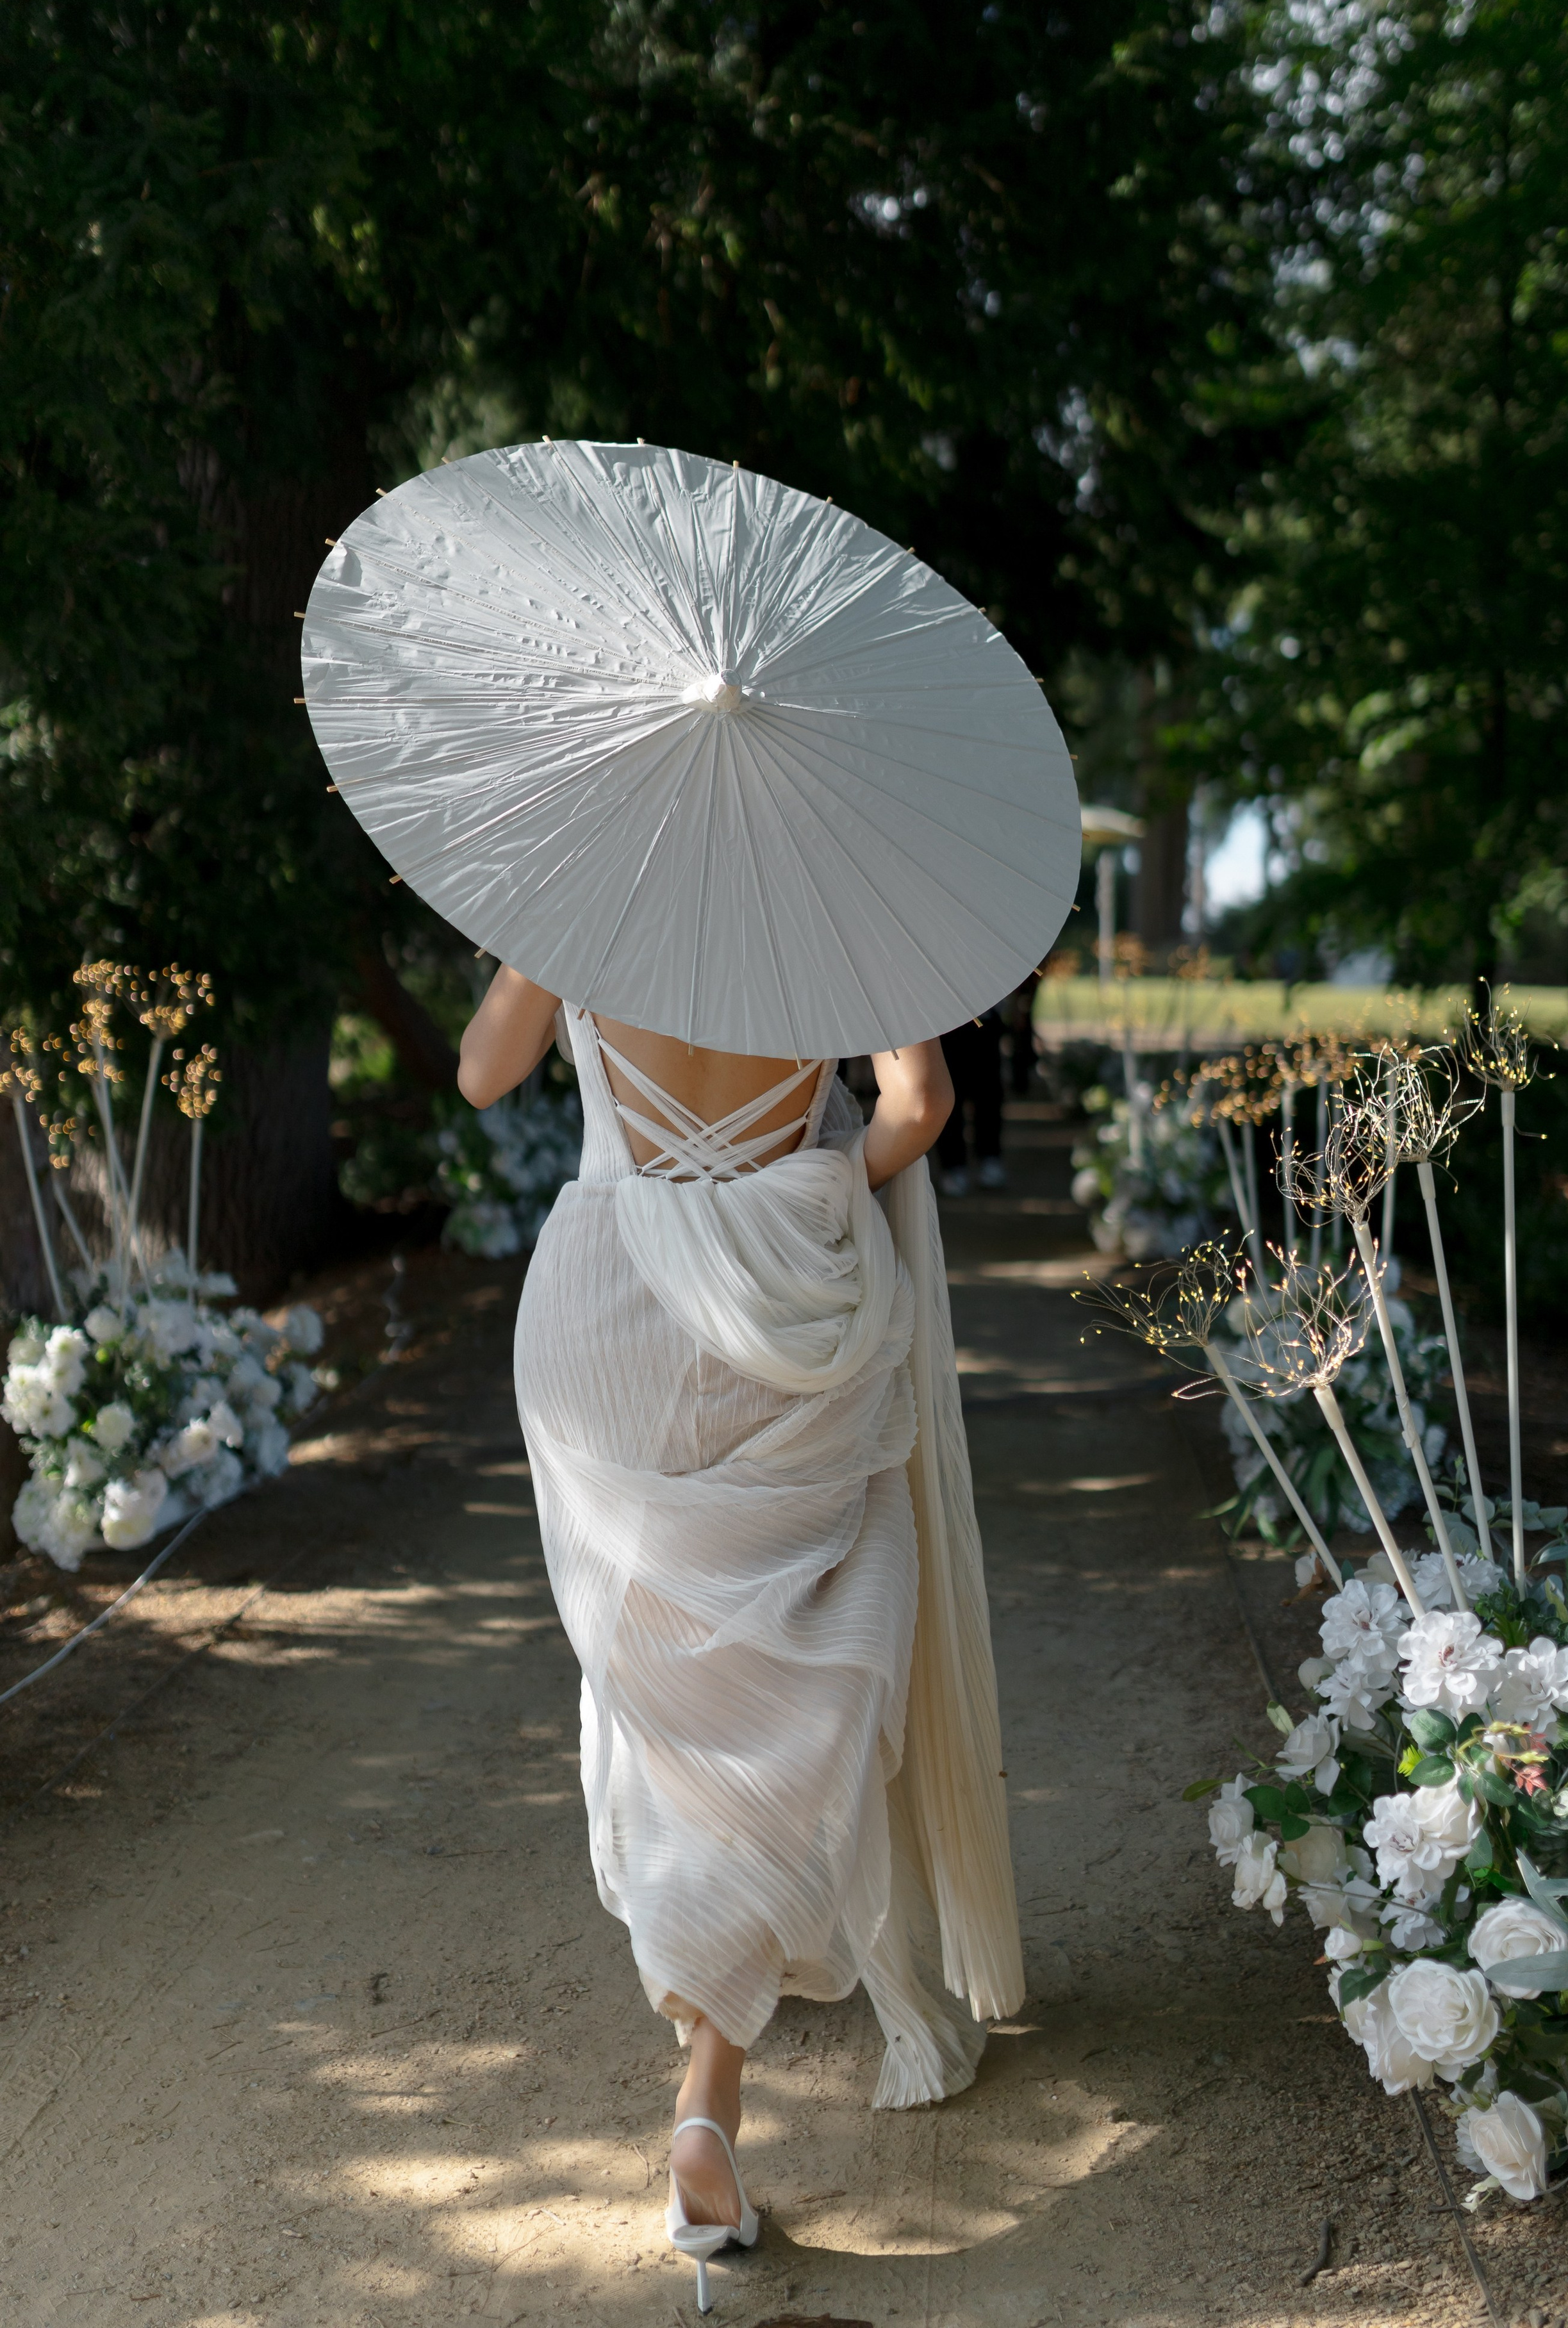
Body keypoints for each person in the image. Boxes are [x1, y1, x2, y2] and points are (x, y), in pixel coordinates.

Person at [458, 968, 1023, 2313]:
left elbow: (484, 1076)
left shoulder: (594, 904)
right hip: (791, 1300)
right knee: (836, 1630)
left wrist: (545, 947)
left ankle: (710, 2065)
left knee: (657, 1682)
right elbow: (921, 1104)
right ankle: (708, 2073)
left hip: (605, 1304)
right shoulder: (833, 904)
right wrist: (818, 1171)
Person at [935, 1008, 1006, 1194]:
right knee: (950, 1096)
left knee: (989, 1094)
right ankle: (953, 1165)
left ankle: (990, 1156)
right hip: (946, 1023)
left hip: (986, 1017)